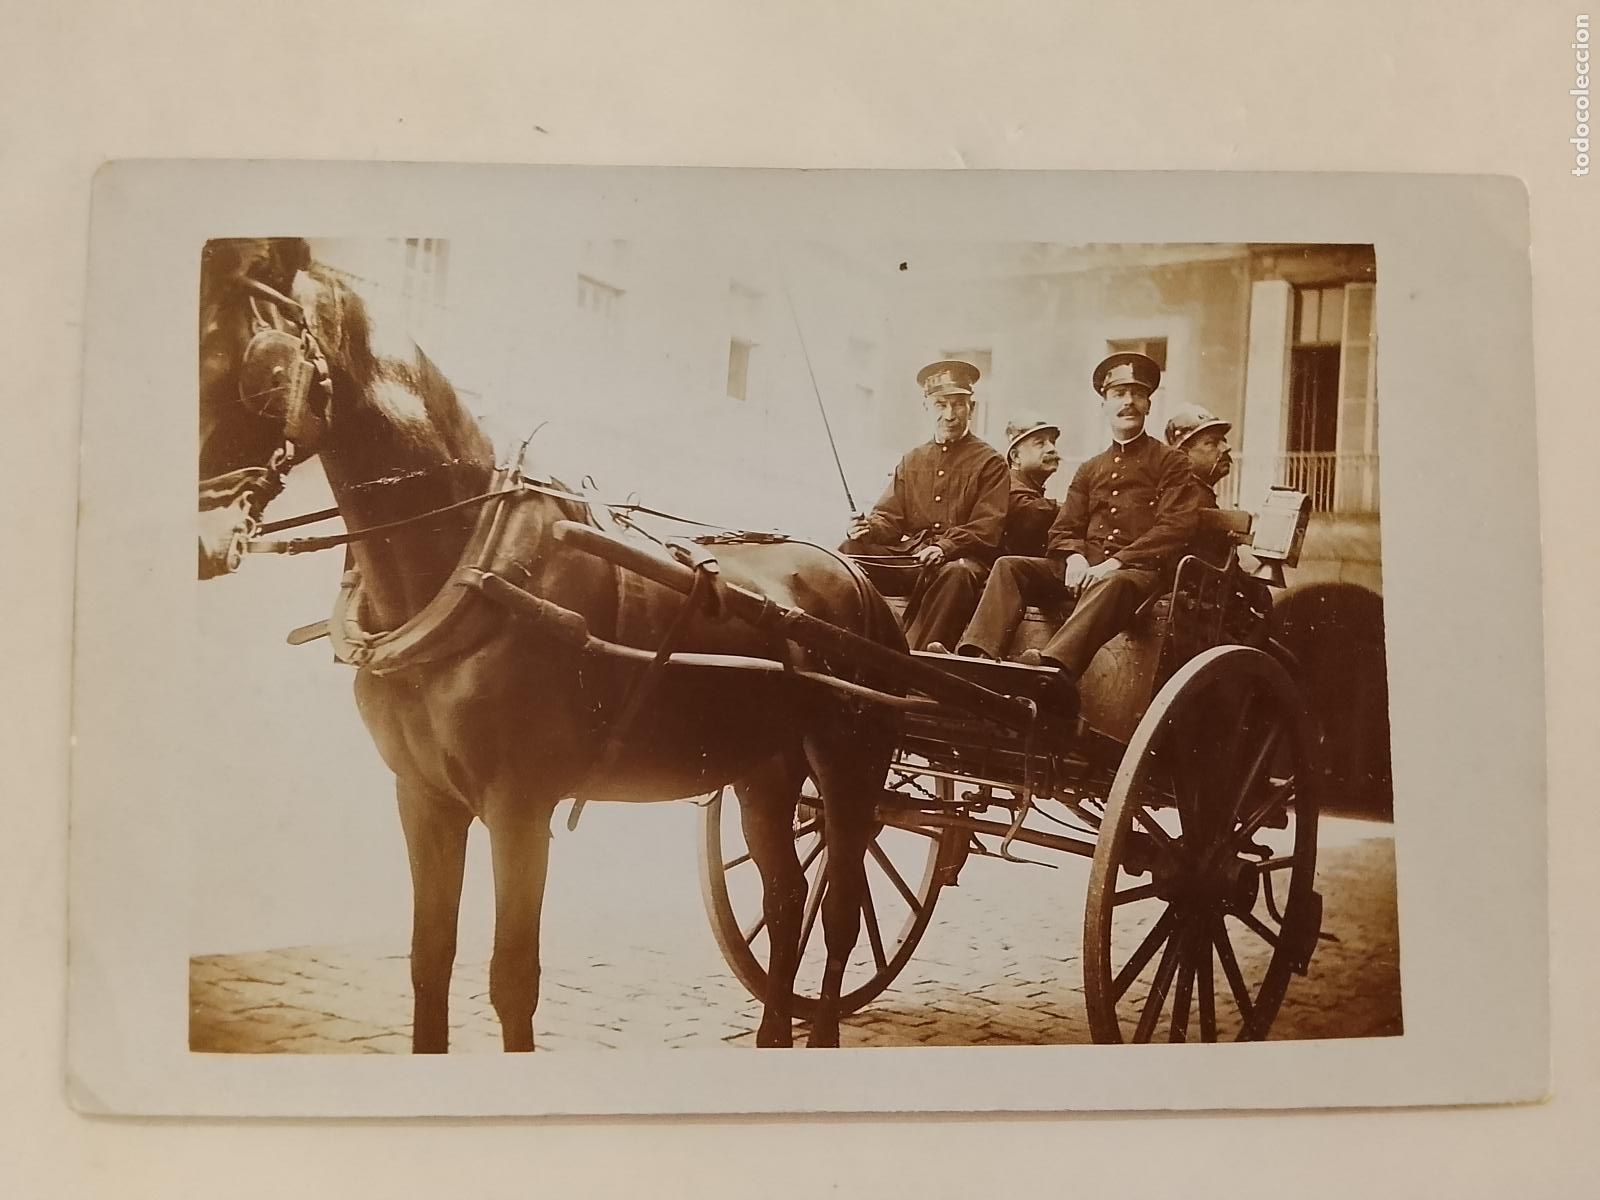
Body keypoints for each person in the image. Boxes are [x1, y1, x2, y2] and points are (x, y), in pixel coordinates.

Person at [954, 352, 1201, 713]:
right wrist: (1073, 557)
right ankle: (976, 658)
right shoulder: (1090, 468)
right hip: (1088, 569)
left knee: (1114, 583)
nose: (1128, 402)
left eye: (1137, 394)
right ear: (1104, 404)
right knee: (1010, 566)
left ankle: (1051, 670)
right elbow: (1065, 526)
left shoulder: (1171, 462)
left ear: (1149, 404)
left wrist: (1115, 563)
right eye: (1119, 394)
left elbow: (1176, 526)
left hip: (1138, 575)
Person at [842, 359, 1009, 651]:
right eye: (940, 404)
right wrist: (867, 528)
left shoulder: (990, 462)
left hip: (959, 562)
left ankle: (922, 659)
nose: (950, 415)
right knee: (850, 551)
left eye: (958, 404)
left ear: (971, 408)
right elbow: (890, 519)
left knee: (958, 574)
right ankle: (847, 647)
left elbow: (987, 526)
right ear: (926, 407)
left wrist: (945, 547)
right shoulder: (913, 459)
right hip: (913, 560)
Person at [922, 414, 1062, 654]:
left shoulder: (1032, 492)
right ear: (1015, 457)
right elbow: (1031, 513)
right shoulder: (1010, 488)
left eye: (1052, 443)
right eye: (1040, 443)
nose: (1051, 449)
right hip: (989, 578)